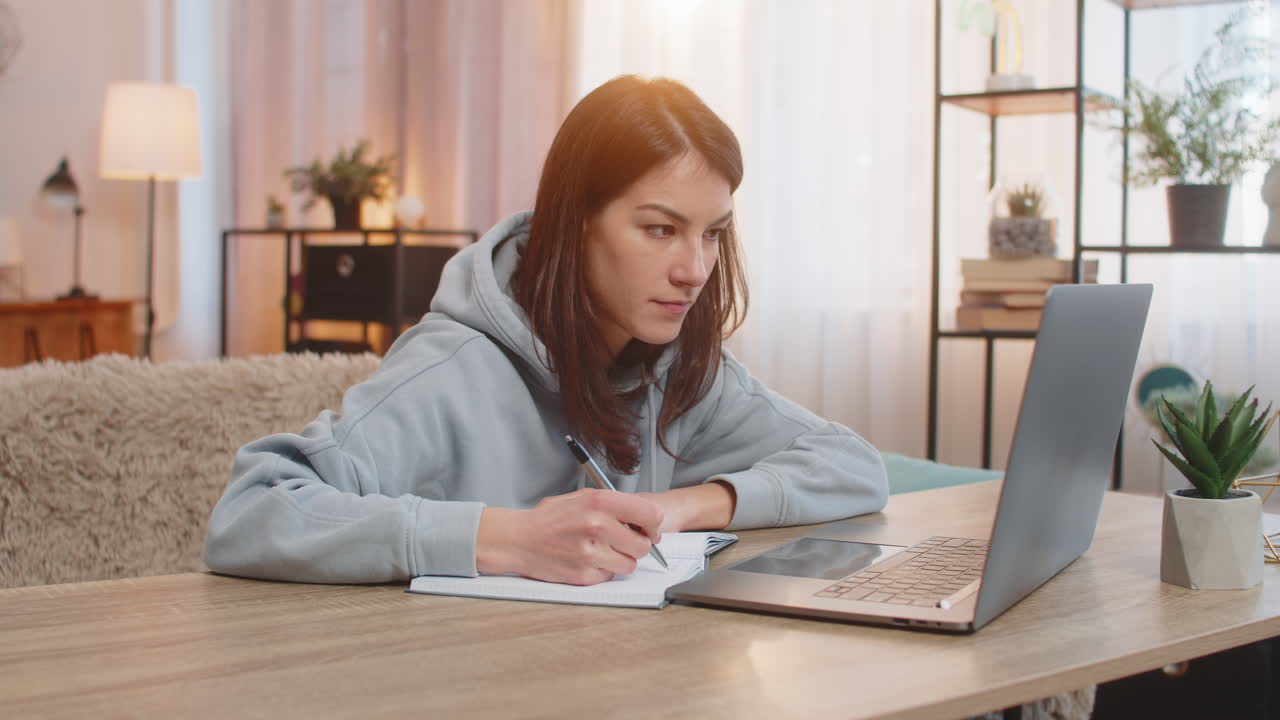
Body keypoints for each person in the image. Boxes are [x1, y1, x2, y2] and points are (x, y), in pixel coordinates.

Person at [203, 75, 888, 586]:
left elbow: (853, 465)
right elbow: (252, 512)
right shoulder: (453, 366)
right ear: (577, 222)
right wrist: (502, 539)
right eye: (660, 229)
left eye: (712, 235)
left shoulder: (678, 369)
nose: (695, 269)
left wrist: (679, 507)